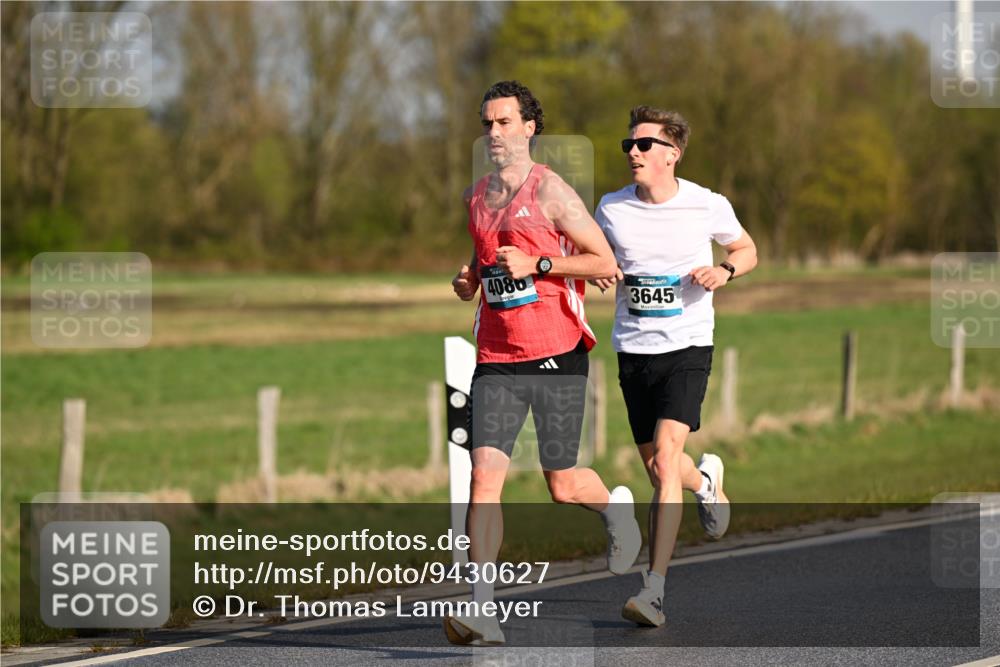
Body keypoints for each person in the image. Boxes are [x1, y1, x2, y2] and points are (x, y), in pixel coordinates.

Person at [445, 81, 642, 646]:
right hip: (497, 357)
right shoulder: (476, 197)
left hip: (555, 352)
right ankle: (483, 608)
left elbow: (602, 259)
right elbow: (485, 264)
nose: (494, 133)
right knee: (485, 479)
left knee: (561, 484)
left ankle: (614, 511)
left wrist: (540, 262)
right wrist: (468, 281)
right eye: (487, 123)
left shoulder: (552, 191)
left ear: (529, 127)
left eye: (505, 122)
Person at [593, 106, 758, 627]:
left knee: (665, 462)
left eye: (644, 145)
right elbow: (596, 259)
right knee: (660, 469)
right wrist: (600, 274)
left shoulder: (706, 204)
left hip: (687, 346)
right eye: (629, 145)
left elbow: (747, 248)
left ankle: (654, 591)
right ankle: (706, 482)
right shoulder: (612, 208)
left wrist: (725, 270)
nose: (633, 153)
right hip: (633, 351)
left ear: (672, 153)